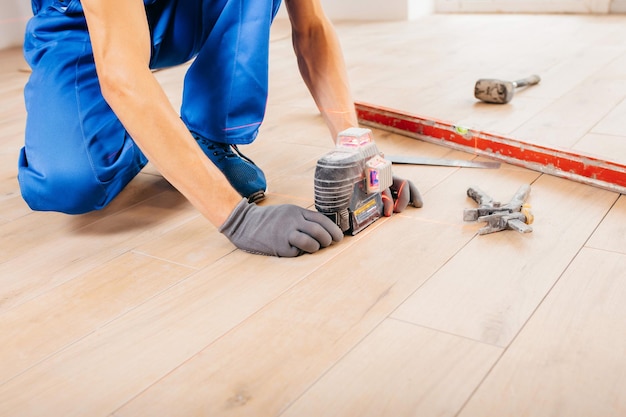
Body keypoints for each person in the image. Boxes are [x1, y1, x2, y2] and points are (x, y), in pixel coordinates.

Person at [19, 0, 418, 257]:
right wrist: (238, 219)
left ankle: (208, 135)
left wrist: (357, 152)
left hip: (181, 10)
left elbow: (311, 27)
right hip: (82, 25)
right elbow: (121, 73)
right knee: (69, 182)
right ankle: (152, 127)